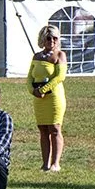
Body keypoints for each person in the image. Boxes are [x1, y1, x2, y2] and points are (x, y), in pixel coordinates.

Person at [29, 24, 66, 171]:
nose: (52, 41)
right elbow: (29, 77)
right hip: (39, 99)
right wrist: (33, 90)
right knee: (43, 129)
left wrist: (44, 89)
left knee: (55, 128)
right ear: (42, 39)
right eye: (49, 38)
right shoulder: (36, 56)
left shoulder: (60, 55)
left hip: (54, 97)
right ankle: (45, 163)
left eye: (55, 38)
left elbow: (60, 76)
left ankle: (55, 163)